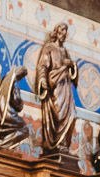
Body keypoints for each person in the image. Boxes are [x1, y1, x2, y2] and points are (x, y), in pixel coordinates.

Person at [35, 23, 77, 155]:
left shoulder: (65, 51)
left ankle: (64, 145)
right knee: (58, 113)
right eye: (62, 30)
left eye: (66, 31)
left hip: (66, 86)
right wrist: (42, 79)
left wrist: (72, 65)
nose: (64, 33)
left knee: (72, 116)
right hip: (56, 86)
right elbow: (42, 66)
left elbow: (73, 73)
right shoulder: (49, 48)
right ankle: (56, 144)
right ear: (57, 31)